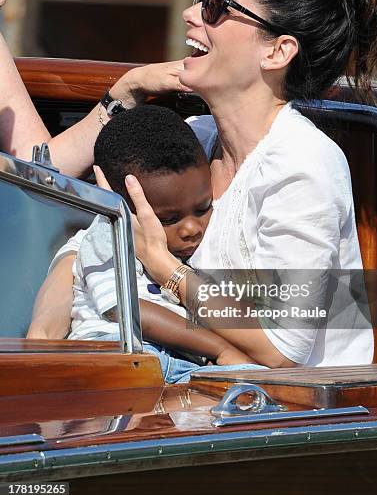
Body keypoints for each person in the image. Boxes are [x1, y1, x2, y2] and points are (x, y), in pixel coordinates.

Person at [23, 0, 377, 368]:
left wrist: (166, 270)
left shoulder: (304, 164)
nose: (190, 13)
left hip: (281, 416)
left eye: (216, 7)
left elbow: (283, 349)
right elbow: (82, 236)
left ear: (277, 51)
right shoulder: (193, 138)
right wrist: (42, 338)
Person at [47, 105, 253, 382]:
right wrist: (220, 348)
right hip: (117, 353)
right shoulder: (110, 232)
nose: (191, 228)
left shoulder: (202, 243)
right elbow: (126, 308)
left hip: (177, 362)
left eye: (203, 208)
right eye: (168, 219)